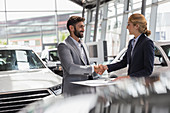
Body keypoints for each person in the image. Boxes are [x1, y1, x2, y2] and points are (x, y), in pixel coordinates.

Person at [58, 16, 102, 96]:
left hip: (87, 90)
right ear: (71, 28)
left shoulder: (83, 45)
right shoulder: (64, 46)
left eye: (84, 26)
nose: (83, 29)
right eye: (80, 27)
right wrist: (92, 68)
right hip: (73, 92)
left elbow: (85, 66)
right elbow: (71, 68)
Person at [102, 13, 154, 77]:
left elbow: (148, 70)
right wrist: (106, 67)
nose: (127, 27)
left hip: (140, 84)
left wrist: (129, 77)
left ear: (137, 26)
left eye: (129, 24)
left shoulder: (147, 43)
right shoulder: (131, 42)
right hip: (132, 83)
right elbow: (124, 62)